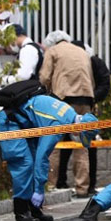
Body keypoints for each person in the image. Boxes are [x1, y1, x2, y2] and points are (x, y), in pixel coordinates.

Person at [0, 94, 98, 221]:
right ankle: (21, 211)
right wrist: (38, 190)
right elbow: (41, 159)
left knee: (30, 162)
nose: (77, 136)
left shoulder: (70, 112)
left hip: (25, 125)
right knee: (25, 164)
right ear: (79, 128)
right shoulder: (58, 125)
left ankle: (33, 209)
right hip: (10, 123)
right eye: (81, 135)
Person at [40, 30, 96, 197]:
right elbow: (91, 79)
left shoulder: (53, 51)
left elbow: (44, 77)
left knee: (54, 144)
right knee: (81, 145)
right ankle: (82, 188)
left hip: (63, 100)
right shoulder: (82, 51)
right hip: (86, 99)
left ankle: (50, 185)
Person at [55, 39, 111, 191]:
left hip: (82, 106)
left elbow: (104, 84)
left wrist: (92, 97)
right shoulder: (81, 61)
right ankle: (63, 181)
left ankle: (88, 184)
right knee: (68, 145)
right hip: (76, 105)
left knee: (86, 146)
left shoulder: (93, 61)